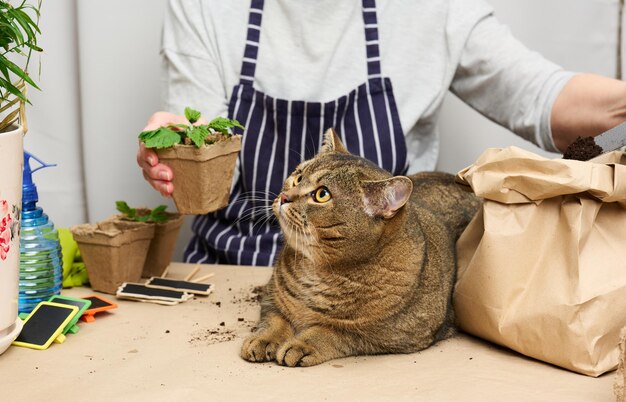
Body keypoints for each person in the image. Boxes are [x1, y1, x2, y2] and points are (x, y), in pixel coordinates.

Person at [137, 0, 626, 266]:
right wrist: (172, 140)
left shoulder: (433, 8)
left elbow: (545, 97)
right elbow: (194, 126)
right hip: (232, 271)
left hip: (373, 287)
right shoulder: (205, 6)